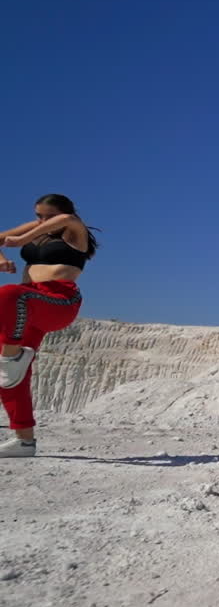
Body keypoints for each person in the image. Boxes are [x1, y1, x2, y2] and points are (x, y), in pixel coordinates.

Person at [0, 194, 97, 458]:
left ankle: (12, 356)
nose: (42, 221)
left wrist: (20, 241)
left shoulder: (74, 230)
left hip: (58, 300)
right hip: (27, 307)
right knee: (10, 378)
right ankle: (24, 441)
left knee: (8, 294)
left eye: (48, 216)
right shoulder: (36, 228)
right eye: (38, 216)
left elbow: (67, 219)